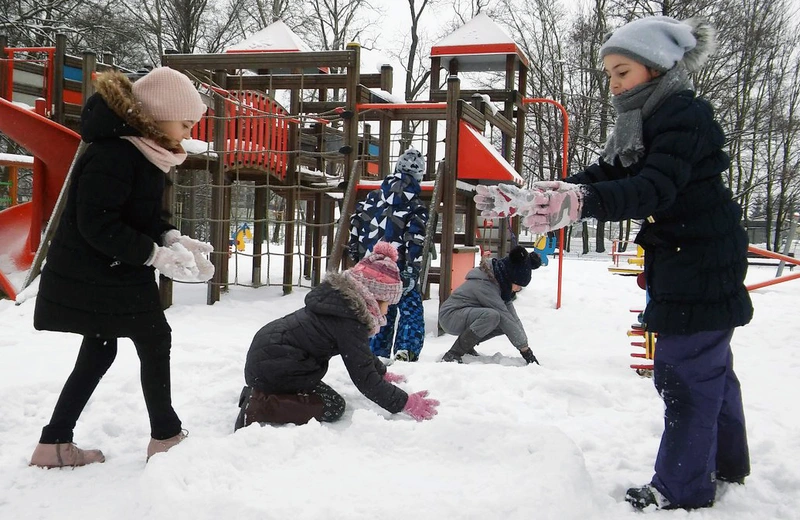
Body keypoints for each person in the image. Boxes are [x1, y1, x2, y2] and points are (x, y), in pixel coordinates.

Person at [475, 16, 752, 511]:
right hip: (688, 256)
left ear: (657, 66)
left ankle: (682, 486)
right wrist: (531, 196)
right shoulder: (644, 119)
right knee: (710, 367)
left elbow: (652, 188)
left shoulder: (682, 116)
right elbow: (605, 174)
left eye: (622, 71)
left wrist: (580, 203)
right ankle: (726, 462)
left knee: (684, 371)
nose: (613, 84)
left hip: (701, 259)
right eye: (608, 74)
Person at [30, 67, 214, 468]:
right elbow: (98, 223)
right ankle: (165, 436)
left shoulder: (140, 151)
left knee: (100, 350)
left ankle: (54, 442)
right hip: (100, 271)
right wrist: (153, 255)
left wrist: (170, 238)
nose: (186, 132)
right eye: (184, 123)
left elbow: (142, 215)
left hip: (109, 271)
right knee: (153, 338)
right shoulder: (114, 153)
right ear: (158, 113)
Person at [234, 241, 439, 430]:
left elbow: (360, 354)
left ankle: (261, 395)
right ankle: (260, 407)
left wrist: (381, 372)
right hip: (277, 366)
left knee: (319, 395)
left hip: (272, 359)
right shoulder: (348, 322)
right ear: (372, 296)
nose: (386, 312)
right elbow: (364, 378)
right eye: (386, 304)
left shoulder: (341, 306)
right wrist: (405, 402)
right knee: (333, 406)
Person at [348, 147, 428, 362]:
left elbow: (355, 222)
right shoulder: (415, 206)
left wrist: (355, 250)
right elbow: (415, 239)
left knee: (379, 307)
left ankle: (376, 351)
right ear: (419, 175)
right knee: (410, 308)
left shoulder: (372, 198)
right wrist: (412, 268)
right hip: (398, 267)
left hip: (370, 264)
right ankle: (406, 350)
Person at [438, 245, 541, 365]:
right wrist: (525, 351)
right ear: (510, 277)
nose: (518, 289)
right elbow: (504, 317)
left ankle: (467, 345)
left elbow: (512, 319)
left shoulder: (500, 285)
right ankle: (454, 353)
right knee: (493, 316)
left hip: (464, 314)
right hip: (450, 316)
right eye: (518, 284)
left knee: (504, 323)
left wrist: (525, 346)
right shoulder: (485, 285)